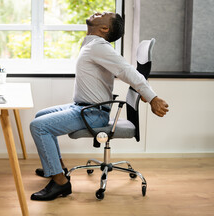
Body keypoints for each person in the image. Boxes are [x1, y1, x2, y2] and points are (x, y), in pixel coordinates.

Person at [29, 12, 169, 201]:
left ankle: (61, 183)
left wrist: (152, 97)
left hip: (92, 112)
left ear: (104, 29)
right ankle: (57, 169)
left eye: (104, 14)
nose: (98, 12)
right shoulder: (91, 44)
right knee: (40, 116)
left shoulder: (100, 47)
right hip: (82, 107)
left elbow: (128, 71)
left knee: (39, 127)